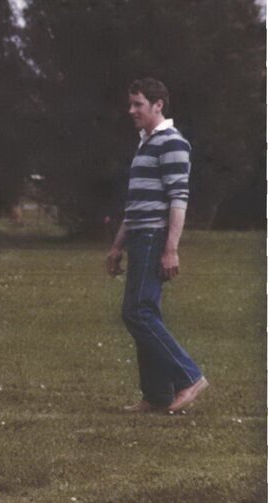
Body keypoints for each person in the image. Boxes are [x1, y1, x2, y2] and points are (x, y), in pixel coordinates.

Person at [106, 78, 209, 413]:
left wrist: (171, 249)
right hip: (139, 237)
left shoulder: (172, 143)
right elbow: (136, 206)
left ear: (158, 104)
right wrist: (117, 246)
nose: (131, 110)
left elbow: (179, 199)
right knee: (143, 311)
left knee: (137, 311)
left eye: (138, 104)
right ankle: (156, 396)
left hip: (154, 238)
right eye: (131, 103)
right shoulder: (145, 143)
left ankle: (189, 376)